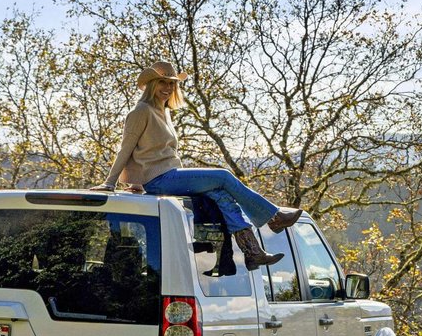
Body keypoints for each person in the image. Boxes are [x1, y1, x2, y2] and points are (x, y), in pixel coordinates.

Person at [90, 61, 301, 269]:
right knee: (224, 177)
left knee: (221, 194)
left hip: (169, 175)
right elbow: (126, 149)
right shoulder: (140, 111)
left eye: (172, 83)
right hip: (160, 179)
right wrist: (110, 183)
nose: (168, 88)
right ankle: (274, 217)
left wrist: (138, 183)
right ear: (152, 84)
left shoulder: (164, 112)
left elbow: (156, 152)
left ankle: (252, 252)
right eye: (163, 82)